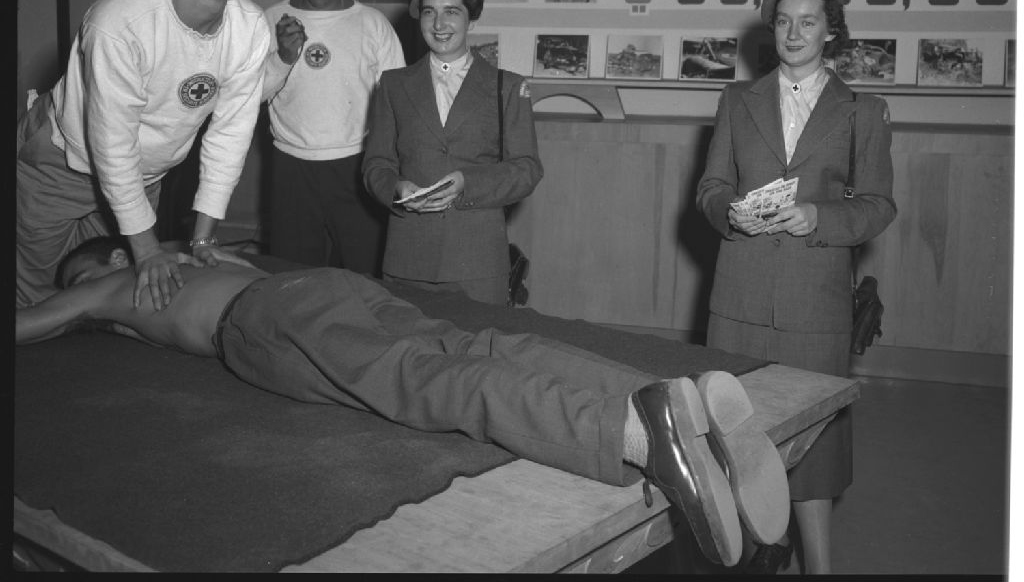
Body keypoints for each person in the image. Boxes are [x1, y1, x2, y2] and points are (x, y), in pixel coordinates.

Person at [17, 236, 791, 570]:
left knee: (421, 380)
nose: (85, 297)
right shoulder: (203, 253)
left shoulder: (114, 279)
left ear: (108, 258)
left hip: (262, 321)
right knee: (476, 347)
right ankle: (664, 398)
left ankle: (634, 433)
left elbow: (31, 323)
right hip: (320, 284)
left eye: (82, 279)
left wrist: (82, 301)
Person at [696, 0, 897, 574]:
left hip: (815, 300)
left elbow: (879, 206)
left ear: (831, 32)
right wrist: (728, 212)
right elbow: (710, 187)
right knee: (733, 437)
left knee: (815, 448)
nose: (793, 33)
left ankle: (819, 568)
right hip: (740, 295)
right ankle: (752, 555)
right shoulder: (737, 101)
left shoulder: (863, 110)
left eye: (808, 22)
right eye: (783, 22)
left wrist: (819, 216)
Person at [16, 0, 271, 312]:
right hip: (62, 162)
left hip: (143, 177)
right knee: (37, 302)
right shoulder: (120, 22)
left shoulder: (250, 27)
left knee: (112, 297)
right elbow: (113, 144)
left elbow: (229, 137)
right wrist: (147, 249)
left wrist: (203, 238)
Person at [362, 0, 543, 306]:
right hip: (408, 258)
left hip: (477, 262)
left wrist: (466, 183)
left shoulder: (507, 87)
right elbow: (376, 165)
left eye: (452, 12)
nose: (439, 24)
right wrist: (397, 188)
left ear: (471, 19)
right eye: (429, 12)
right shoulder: (393, 85)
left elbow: (527, 169)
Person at [261, 0, 405, 275]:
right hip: (292, 166)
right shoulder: (270, 19)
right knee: (293, 278)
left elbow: (398, 103)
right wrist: (283, 57)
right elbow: (249, 97)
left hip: (357, 165)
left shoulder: (372, 23)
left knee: (365, 275)